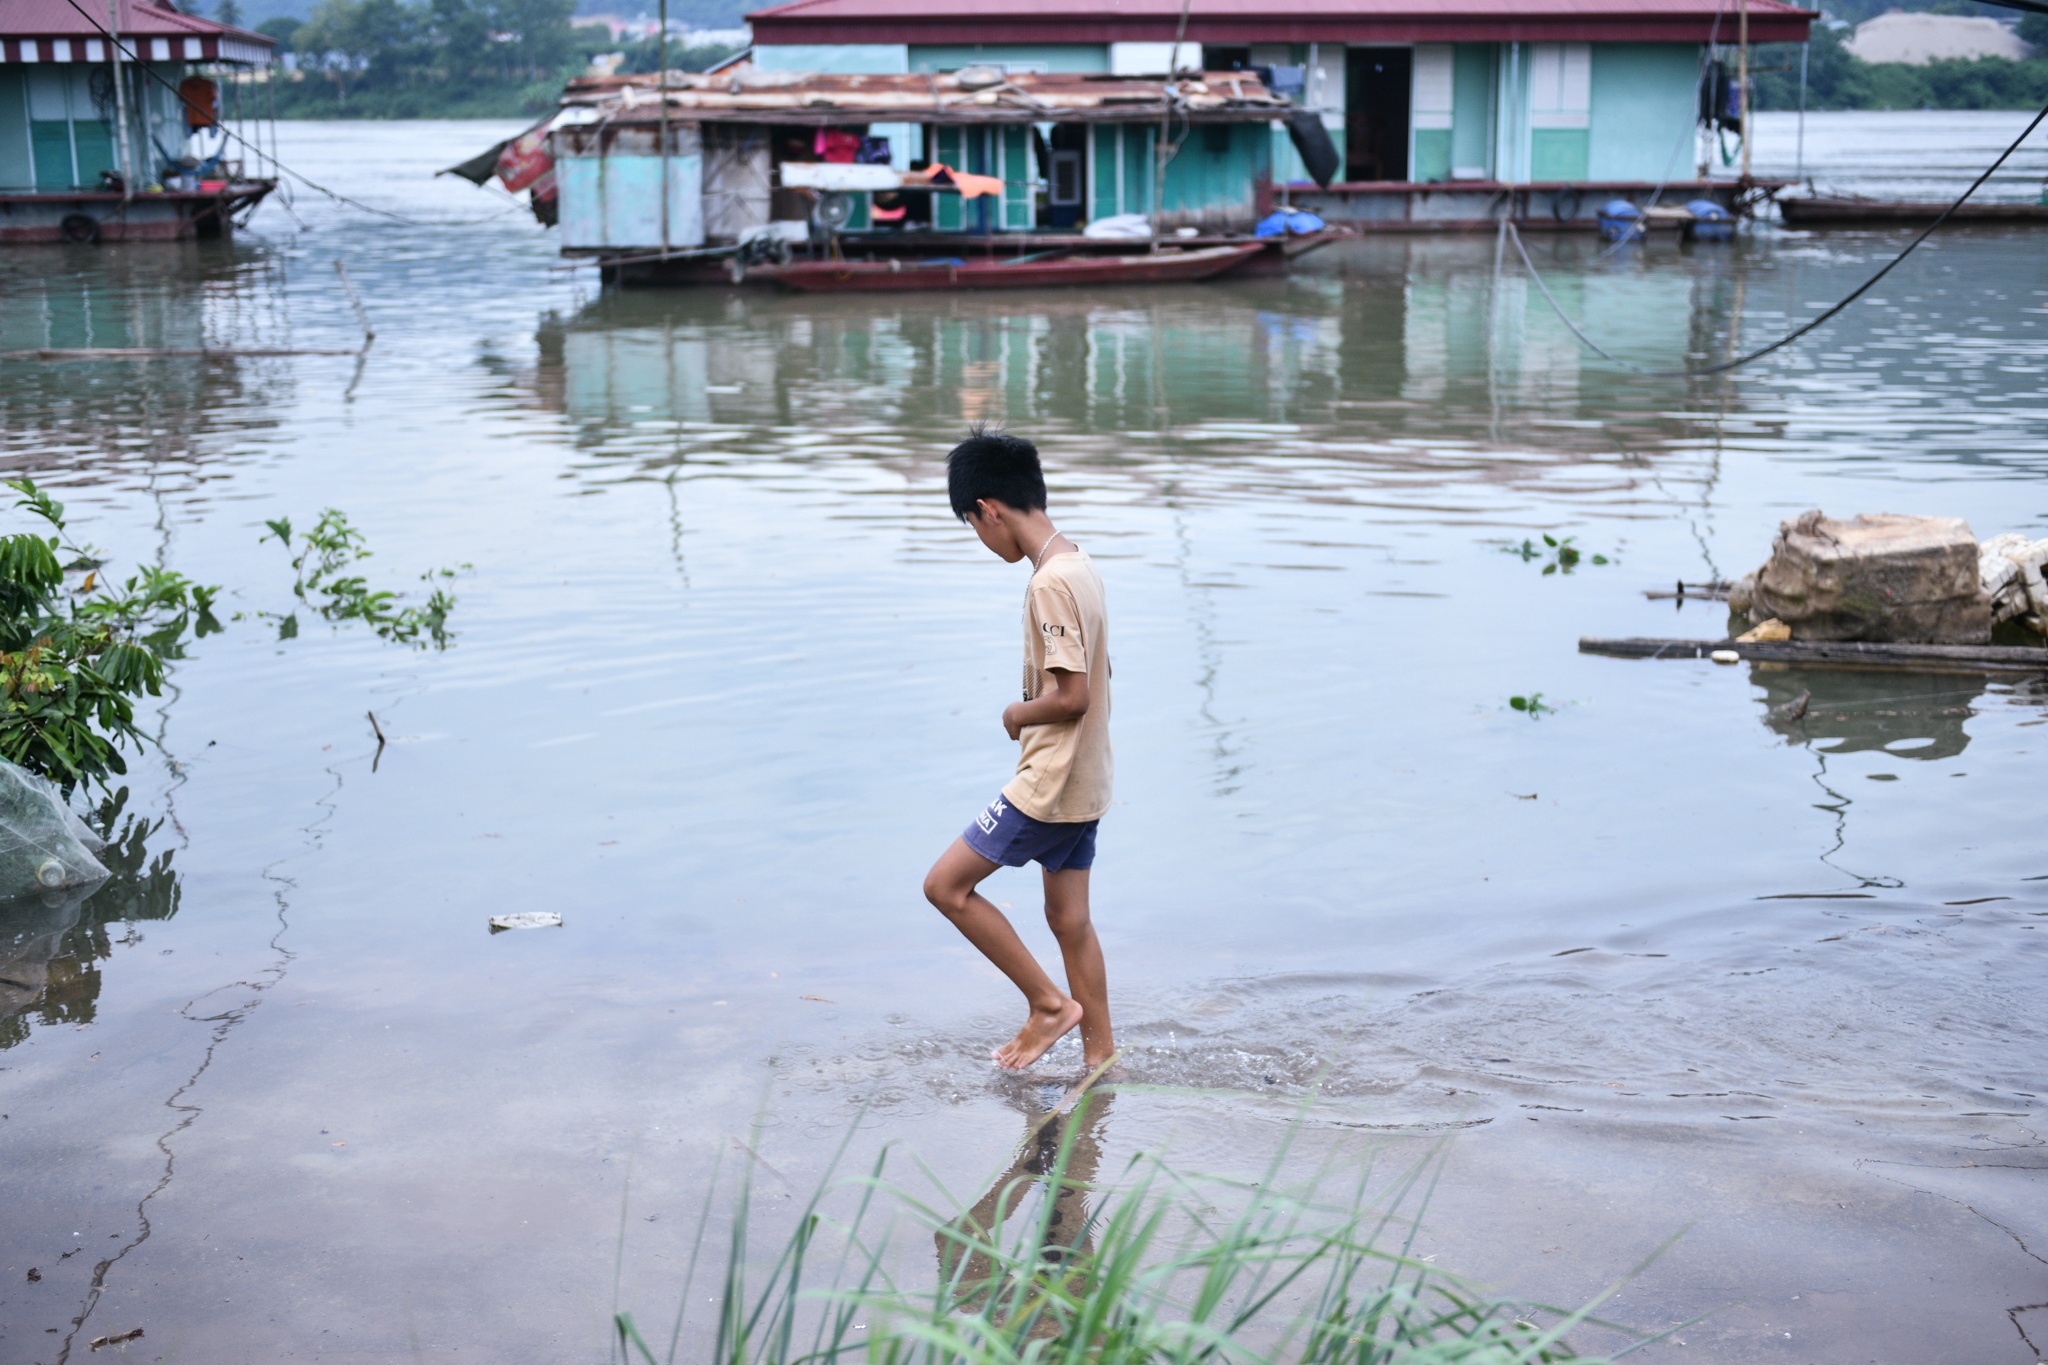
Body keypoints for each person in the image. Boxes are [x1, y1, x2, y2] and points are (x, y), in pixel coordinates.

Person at [924, 429, 1115, 1074]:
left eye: (974, 527)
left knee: (946, 887)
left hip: (1048, 782)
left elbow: (1073, 696)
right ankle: (1101, 1058)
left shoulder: (1048, 585)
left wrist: (1016, 713)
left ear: (990, 509)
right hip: (1087, 782)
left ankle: (1048, 1006)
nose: (982, 541)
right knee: (1069, 920)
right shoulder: (1080, 563)